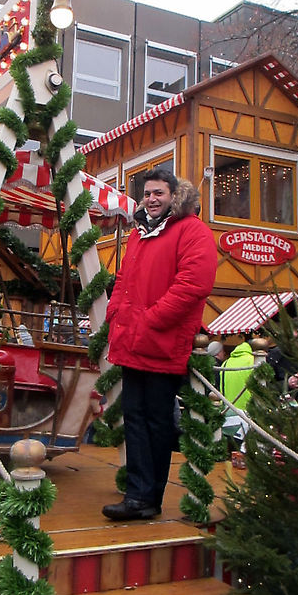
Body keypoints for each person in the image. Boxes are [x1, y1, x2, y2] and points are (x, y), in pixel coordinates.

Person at [102, 169, 217, 521]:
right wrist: (115, 311)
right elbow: (123, 279)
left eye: (159, 193)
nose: (152, 198)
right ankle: (139, 495)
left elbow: (194, 284)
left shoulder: (192, 231)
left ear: (174, 195)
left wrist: (151, 319)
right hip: (134, 340)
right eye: (148, 193)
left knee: (155, 422)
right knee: (135, 418)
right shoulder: (139, 235)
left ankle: (147, 497)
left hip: (161, 341)